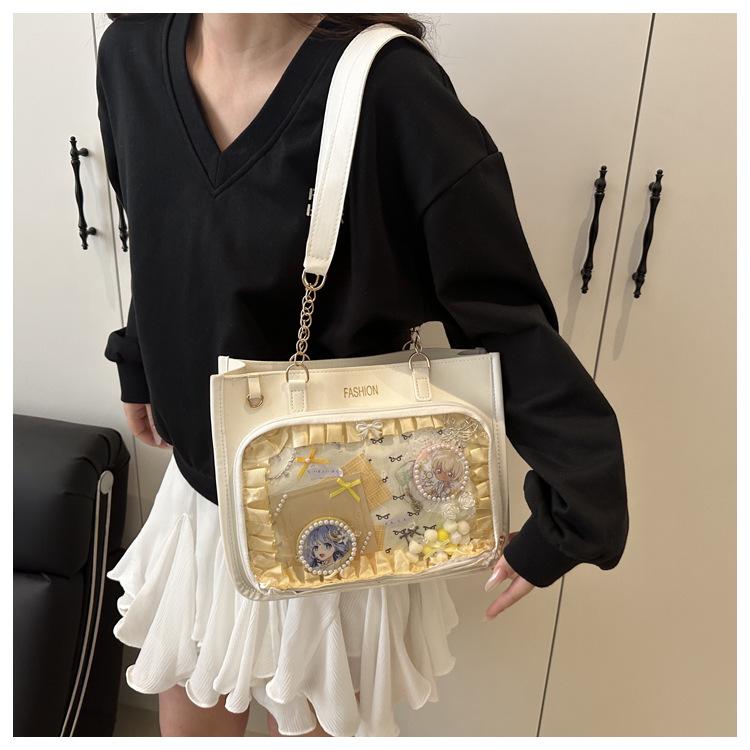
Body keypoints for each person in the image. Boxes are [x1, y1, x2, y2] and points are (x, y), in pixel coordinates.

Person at [96, 12, 629, 737]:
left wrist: (579, 508)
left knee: (315, 719)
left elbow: (501, 314)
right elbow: (155, 229)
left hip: (340, 508)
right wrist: (137, 360)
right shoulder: (129, 53)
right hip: (202, 494)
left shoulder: (391, 88)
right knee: (190, 705)